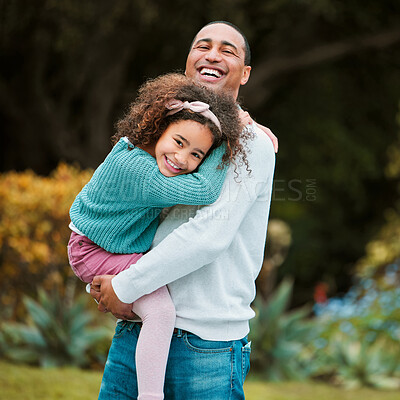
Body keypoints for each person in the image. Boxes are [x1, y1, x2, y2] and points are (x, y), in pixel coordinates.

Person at [91, 21, 277, 399]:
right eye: (202, 46)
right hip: (139, 329)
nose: (212, 54)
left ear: (245, 73)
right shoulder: (162, 130)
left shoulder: (252, 144)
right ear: (189, 62)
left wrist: (124, 286)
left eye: (228, 50)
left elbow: (208, 237)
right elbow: (113, 201)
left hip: (205, 344)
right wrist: (103, 273)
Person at [67, 72, 245, 400]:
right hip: (93, 249)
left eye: (197, 155)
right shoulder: (137, 170)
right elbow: (204, 189)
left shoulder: (141, 153)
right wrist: (233, 137)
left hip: (106, 247)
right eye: (179, 143)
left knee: (147, 303)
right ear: (159, 127)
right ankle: (150, 396)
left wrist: (219, 132)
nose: (182, 159)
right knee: (161, 311)